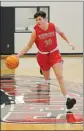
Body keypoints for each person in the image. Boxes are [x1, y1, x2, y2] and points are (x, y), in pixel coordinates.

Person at [17, 11, 76, 109]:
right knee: (46, 79)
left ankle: (68, 99)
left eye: (40, 19)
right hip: (43, 56)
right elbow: (28, 45)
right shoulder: (35, 31)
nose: (38, 21)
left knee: (59, 76)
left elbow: (61, 33)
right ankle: (44, 69)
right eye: (36, 20)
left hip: (54, 53)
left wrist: (69, 42)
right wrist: (18, 56)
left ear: (45, 19)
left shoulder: (53, 26)